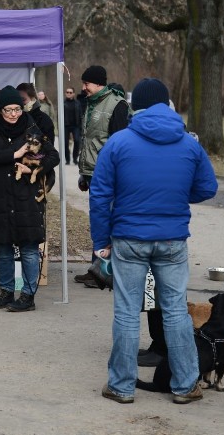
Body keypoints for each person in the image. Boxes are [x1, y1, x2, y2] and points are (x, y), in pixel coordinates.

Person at [90, 78, 218, 404]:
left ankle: (120, 387)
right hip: (173, 240)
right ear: (168, 104)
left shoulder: (118, 142)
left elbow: (100, 194)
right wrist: (176, 196)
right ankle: (186, 385)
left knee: (127, 312)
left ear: (137, 106)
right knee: (175, 311)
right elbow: (207, 188)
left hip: (128, 239)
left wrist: (100, 239)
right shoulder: (189, 144)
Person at [0, 85, 60, 312]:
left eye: (17, 109)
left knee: (28, 247)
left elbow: (54, 156)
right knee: (3, 247)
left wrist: (33, 170)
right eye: (8, 110)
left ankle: (27, 295)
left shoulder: (32, 127)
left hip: (26, 196)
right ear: (0, 109)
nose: (14, 114)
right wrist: (13, 155)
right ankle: (6, 292)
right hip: (0, 194)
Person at [74, 65, 129, 287]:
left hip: (108, 174)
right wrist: (83, 173)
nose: (83, 87)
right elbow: (89, 141)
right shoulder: (91, 104)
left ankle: (106, 271)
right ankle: (97, 267)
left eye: (86, 83)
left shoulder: (117, 105)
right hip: (92, 173)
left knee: (108, 222)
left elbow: (120, 143)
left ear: (98, 83)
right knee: (98, 222)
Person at [62, 86, 82, 165]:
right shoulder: (62, 103)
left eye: (70, 92)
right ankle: (67, 159)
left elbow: (80, 115)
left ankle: (75, 158)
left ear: (73, 94)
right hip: (65, 125)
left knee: (77, 141)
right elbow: (59, 115)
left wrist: (81, 126)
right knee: (65, 143)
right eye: (67, 92)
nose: (68, 94)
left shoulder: (77, 103)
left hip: (75, 125)